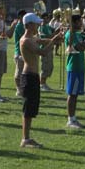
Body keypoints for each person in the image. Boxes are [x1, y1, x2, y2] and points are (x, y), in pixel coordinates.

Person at [18, 12, 63, 148]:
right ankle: (25, 139)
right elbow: (42, 52)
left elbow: (43, 41)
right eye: (36, 23)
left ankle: (27, 137)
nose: (38, 25)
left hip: (33, 76)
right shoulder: (26, 40)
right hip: (29, 76)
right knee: (28, 109)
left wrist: (54, 38)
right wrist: (53, 43)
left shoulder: (32, 37)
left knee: (31, 109)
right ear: (30, 25)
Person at [64, 13, 85, 129]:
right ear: (73, 23)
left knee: (75, 94)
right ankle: (70, 119)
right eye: (79, 21)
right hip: (73, 67)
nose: (81, 23)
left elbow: (84, 44)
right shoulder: (70, 34)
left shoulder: (78, 34)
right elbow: (81, 48)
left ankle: (73, 118)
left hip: (80, 67)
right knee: (72, 94)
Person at [0, 5, 16, 103]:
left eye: (4, 9)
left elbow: (9, 35)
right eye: (0, 10)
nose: (3, 11)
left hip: (2, 49)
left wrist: (13, 26)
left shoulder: (2, 21)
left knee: (0, 73)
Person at [39, 13, 56, 91]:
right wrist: (55, 35)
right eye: (45, 18)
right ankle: (41, 84)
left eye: (48, 18)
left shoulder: (48, 26)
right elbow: (46, 37)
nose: (47, 19)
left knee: (50, 67)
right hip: (44, 49)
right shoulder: (42, 27)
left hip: (50, 49)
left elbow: (53, 32)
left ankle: (44, 83)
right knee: (45, 67)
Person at [12, 9, 27, 97]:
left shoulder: (23, 25)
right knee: (19, 72)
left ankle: (22, 89)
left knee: (23, 72)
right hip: (19, 52)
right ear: (21, 17)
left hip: (24, 52)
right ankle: (18, 89)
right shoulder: (20, 26)